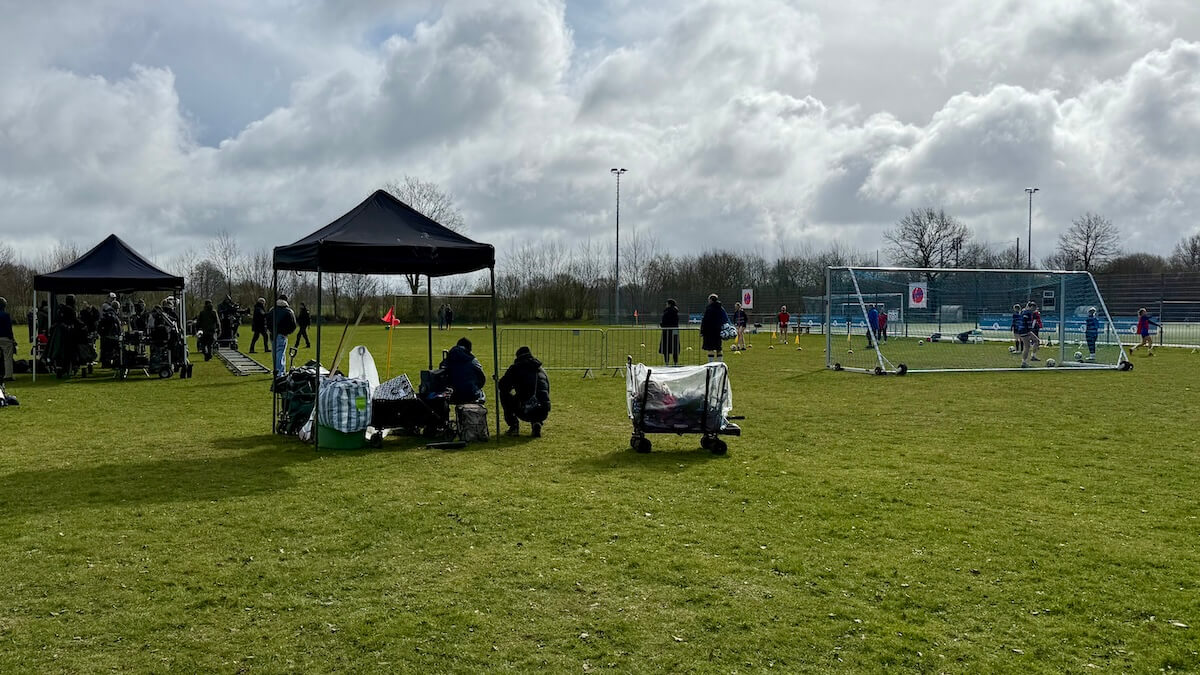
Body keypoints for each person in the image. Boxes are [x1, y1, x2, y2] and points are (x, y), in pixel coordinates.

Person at [499, 346, 551, 437]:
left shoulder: (515, 368)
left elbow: (503, 386)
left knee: (504, 395)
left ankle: (513, 425)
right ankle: (536, 422)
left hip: (526, 409)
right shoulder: (541, 369)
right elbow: (547, 389)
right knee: (538, 395)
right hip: (543, 410)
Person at [440, 337, 485, 404]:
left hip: (454, 394)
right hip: (471, 393)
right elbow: (482, 378)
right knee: (481, 394)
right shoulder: (472, 359)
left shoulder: (448, 358)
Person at [271, 294, 298, 374]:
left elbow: (267, 321)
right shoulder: (288, 311)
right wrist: (288, 332)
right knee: (280, 352)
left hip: (273, 334)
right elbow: (293, 324)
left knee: (275, 353)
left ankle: (276, 370)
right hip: (282, 334)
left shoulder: (272, 310)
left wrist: (270, 330)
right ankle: (280, 372)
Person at [700, 294, 729, 362]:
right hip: (718, 331)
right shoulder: (721, 308)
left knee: (710, 348)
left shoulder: (709, 308)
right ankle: (720, 363)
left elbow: (705, 321)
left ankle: (711, 364)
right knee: (718, 348)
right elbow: (725, 319)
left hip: (709, 331)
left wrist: (702, 331)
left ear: (711, 300)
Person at [658, 299, 680, 366]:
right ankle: (675, 362)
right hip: (675, 331)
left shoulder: (667, 312)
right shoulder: (676, 312)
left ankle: (667, 362)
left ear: (669, 304)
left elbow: (664, 321)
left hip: (666, 331)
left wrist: (662, 325)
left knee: (666, 348)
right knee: (675, 347)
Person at [1018, 301, 1039, 368]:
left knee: (1037, 340)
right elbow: (1026, 322)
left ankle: (1033, 356)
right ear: (1030, 307)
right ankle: (1023, 362)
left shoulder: (1027, 312)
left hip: (1026, 330)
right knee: (1027, 347)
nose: (1034, 309)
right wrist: (1028, 331)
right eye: (1033, 307)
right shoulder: (1027, 313)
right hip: (1024, 330)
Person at [0, 297, 16, 381]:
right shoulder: (6, 315)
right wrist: (12, 338)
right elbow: (8, 328)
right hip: (5, 338)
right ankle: (8, 375)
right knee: (8, 357)